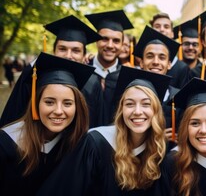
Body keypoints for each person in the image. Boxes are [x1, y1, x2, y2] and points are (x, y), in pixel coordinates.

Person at [38, 66, 170, 195]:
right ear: (121, 110)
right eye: (129, 104)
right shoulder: (96, 143)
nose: (137, 111)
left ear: (156, 111)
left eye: (146, 104)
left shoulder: (158, 148)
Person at [0, 52, 94, 196]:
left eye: (67, 103)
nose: (58, 111)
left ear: (77, 107)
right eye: (49, 102)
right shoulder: (6, 143)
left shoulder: (78, 144)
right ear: (36, 103)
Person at [0, 15, 102, 128]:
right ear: (54, 51)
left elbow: (96, 122)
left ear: (84, 56)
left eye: (76, 51)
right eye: (62, 49)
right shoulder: (35, 76)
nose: (68, 56)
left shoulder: (93, 82)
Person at [132, 26, 182, 145]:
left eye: (162, 57)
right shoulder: (130, 96)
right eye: (150, 56)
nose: (155, 62)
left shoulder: (179, 97)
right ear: (142, 63)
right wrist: (157, 138)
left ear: (169, 64)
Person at [85, 9, 133, 86]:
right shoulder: (82, 71)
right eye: (104, 39)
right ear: (96, 41)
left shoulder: (127, 77)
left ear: (121, 44)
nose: (110, 45)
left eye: (116, 41)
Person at [150, 12, 190, 88]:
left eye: (166, 26)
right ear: (151, 30)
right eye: (157, 26)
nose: (161, 29)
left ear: (172, 34)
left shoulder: (182, 68)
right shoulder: (143, 63)